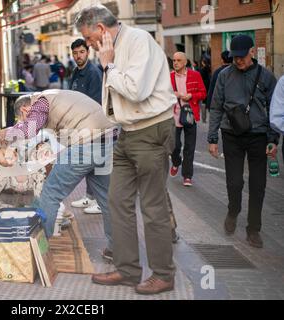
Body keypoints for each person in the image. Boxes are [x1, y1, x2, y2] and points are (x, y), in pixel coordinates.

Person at [75, 5, 177, 294]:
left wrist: (108, 65)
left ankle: (164, 274)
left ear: (101, 30)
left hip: (151, 129)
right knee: (116, 200)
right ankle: (128, 269)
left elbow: (136, 91)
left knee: (152, 206)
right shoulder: (114, 48)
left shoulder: (138, 41)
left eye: (90, 39)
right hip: (127, 133)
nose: (90, 46)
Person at [0, 89, 117, 259]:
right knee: (107, 198)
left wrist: (6, 133)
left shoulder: (40, 102)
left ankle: (40, 248)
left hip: (87, 142)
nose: (24, 121)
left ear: (24, 110)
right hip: (109, 139)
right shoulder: (55, 95)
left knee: (50, 194)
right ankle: (116, 250)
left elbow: (30, 129)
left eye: (22, 119)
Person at [208, 34, 278, 248]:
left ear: (252, 52)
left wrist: (273, 139)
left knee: (258, 185)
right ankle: (233, 210)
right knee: (234, 182)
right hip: (231, 135)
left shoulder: (266, 77)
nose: (237, 61)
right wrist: (212, 138)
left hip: (258, 136)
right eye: (234, 57)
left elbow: (275, 111)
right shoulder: (224, 75)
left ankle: (253, 229)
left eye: (241, 57)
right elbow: (216, 107)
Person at [67, 38, 104, 215]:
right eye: (75, 53)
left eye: (81, 52)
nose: (78, 56)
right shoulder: (75, 72)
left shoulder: (93, 73)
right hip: (79, 125)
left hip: (93, 125)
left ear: (87, 53)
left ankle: (100, 201)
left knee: (97, 164)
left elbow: (95, 104)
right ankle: (90, 196)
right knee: (89, 163)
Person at [169, 51, 207, 186]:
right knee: (174, 146)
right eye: (174, 60)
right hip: (174, 116)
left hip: (190, 115)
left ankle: (187, 176)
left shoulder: (195, 75)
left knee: (189, 147)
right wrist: (175, 94)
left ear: (185, 62)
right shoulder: (170, 77)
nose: (175, 63)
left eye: (179, 60)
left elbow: (203, 93)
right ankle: (175, 162)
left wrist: (191, 96)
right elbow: (162, 93)